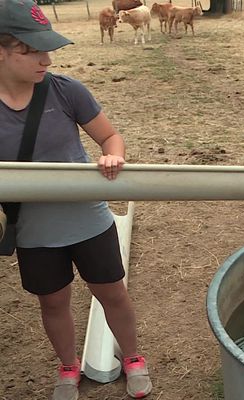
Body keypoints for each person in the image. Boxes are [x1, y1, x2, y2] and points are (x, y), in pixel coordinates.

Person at [0, 0, 152, 399]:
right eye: (31, 50)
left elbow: (110, 136)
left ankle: (133, 357)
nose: (46, 58)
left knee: (112, 293)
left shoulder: (66, 90)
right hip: (34, 233)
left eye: (46, 48)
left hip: (89, 221)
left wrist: (112, 154)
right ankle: (68, 367)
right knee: (52, 303)